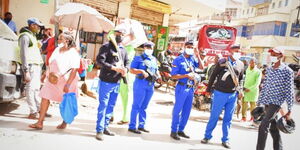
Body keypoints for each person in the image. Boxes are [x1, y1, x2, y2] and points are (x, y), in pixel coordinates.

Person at [28, 32, 80, 130]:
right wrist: (45, 74)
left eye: (60, 38)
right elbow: (51, 63)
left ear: (67, 40)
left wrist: (68, 85)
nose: (58, 40)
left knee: (65, 100)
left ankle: (65, 122)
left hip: (66, 80)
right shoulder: (57, 49)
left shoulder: (73, 53)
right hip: (51, 78)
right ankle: (40, 122)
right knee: (45, 97)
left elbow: (74, 70)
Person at [201, 45, 244, 149]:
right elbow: (213, 76)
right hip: (219, 93)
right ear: (230, 51)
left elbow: (241, 78)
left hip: (232, 95)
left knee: (228, 119)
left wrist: (240, 90)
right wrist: (208, 90)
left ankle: (225, 139)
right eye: (236, 50)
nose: (238, 52)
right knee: (214, 116)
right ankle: (207, 136)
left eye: (239, 51)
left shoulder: (241, 64)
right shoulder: (222, 62)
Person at [256, 48, 294, 150]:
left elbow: (289, 91)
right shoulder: (269, 69)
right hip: (267, 102)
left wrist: (289, 109)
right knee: (274, 128)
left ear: (280, 55)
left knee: (263, 125)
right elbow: (265, 87)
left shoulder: (287, 71)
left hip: (276, 103)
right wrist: (259, 102)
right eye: (271, 53)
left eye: (274, 53)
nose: (272, 54)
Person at [95, 28, 129, 141]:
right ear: (114, 35)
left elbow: (127, 62)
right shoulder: (106, 47)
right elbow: (99, 61)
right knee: (103, 106)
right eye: (118, 33)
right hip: (106, 81)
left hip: (117, 82)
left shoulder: (123, 49)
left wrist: (126, 70)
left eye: (122, 34)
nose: (120, 35)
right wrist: (114, 68)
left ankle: (105, 127)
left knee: (111, 106)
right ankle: (99, 130)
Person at [170, 41, 201, 140]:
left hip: (191, 88)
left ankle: (181, 129)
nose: (190, 48)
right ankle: (173, 131)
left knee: (187, 111)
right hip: (182, 87)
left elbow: (201, 66)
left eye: (192, 47)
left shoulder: (192, 58)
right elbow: (173, 75)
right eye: (188, 47)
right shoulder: (178, 60)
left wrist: (198, 54)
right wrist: (186, 75)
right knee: (177, 110)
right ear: (184, 47)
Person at [128, 41, 160, 134]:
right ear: (144, 48)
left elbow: (156, 70)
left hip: (150, 85)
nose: (149, 50)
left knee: (144, 106)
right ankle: (132, 126)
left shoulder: (153, 59)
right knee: (136, 105)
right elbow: (131, 70)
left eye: (151, 48)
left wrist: (158, 75)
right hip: (140, 84)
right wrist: (141, 71)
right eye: (147, 48)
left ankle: (141, 125)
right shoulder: (138, 58)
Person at [18, 18, 44, 119]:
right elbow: (23, 54)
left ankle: (39, 109)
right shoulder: (25, 36)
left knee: (36, 89)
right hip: (30, 66)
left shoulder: (32, 36)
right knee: (30, 89)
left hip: (36, 66)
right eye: (38, 26)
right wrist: (26, 70)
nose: (39, 28)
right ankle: (33, 112)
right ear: (32, 25)